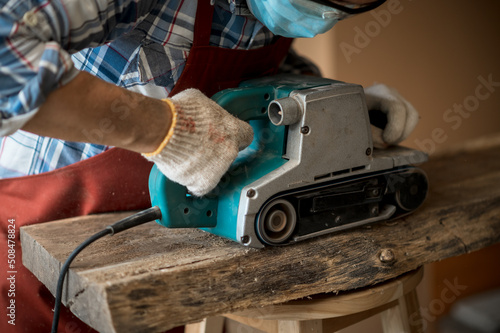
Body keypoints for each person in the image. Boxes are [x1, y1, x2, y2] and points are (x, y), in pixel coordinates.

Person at [0, 0, 419, 331]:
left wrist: (341, 114)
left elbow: (263, 78)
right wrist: (162, 129)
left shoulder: (265, 13)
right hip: (36, 240)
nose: (329, 11)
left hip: (162, 255)